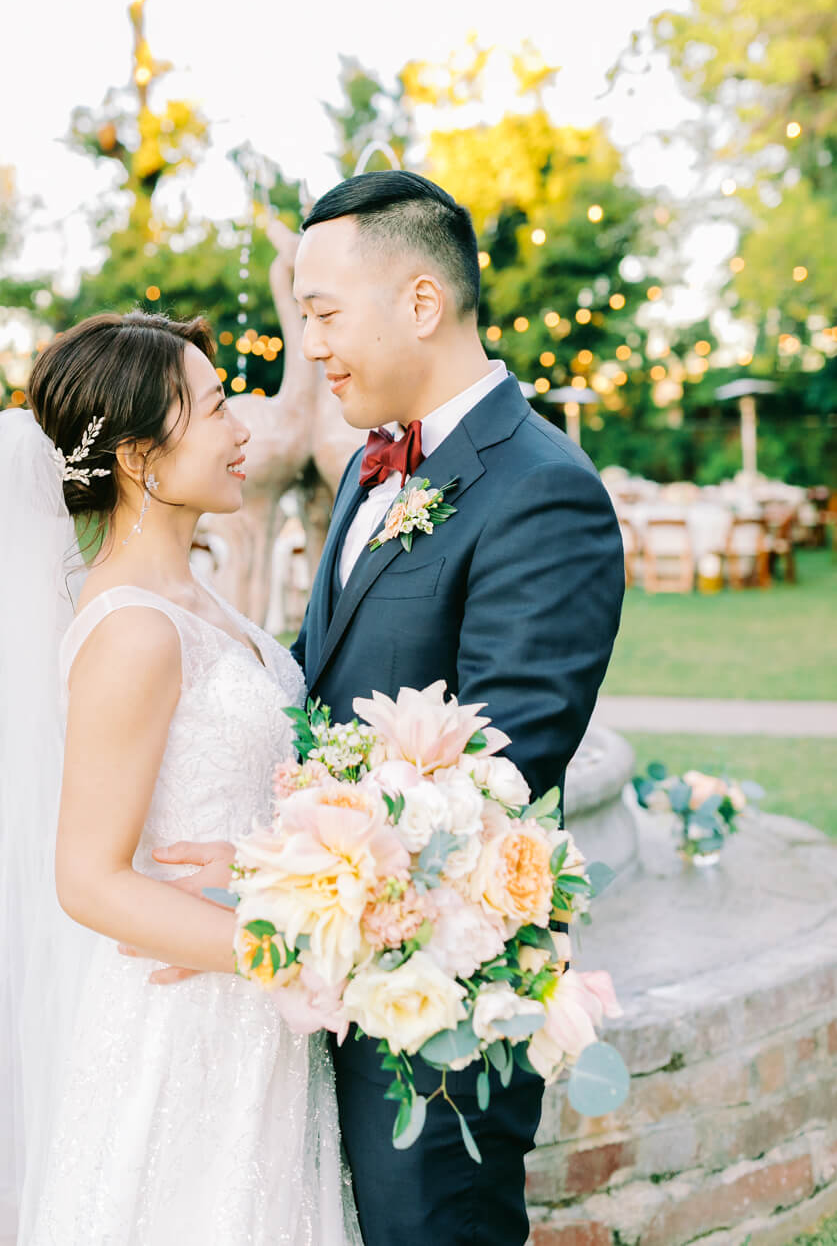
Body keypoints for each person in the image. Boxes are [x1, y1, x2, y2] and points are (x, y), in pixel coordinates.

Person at [143, 171, 627, 1246]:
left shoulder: (544, 490)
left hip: (434, 1005)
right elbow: (313, 693)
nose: (306, 346)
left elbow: (492, 779)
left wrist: (266, 881)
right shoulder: (372, 466)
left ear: (421, 303)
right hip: (321, 978)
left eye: (321, 313)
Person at [0, 310, 361, 1246]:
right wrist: (291, 948)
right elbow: (88, 878)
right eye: (216, 409)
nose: (242, 429)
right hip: (188, 1025)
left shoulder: (193, 593)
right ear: (140, 457)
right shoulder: (134, 628)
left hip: (245, 1006)